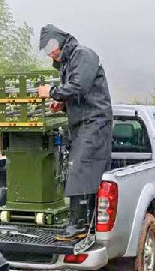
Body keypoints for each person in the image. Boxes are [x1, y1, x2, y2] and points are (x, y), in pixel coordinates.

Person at [37, 24, 113, 241]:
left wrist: (52, 92)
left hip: (94, 122)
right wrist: (62, 103)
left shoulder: (83, 54)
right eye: (46, 50)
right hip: (81, 124)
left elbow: (80, 87)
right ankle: (84, 222)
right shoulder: (68, 62)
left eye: (51, 46)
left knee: (80, 169)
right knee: (80, 170)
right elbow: (79, 95)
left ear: (60, 40)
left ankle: (78, 225)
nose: (50, 53)